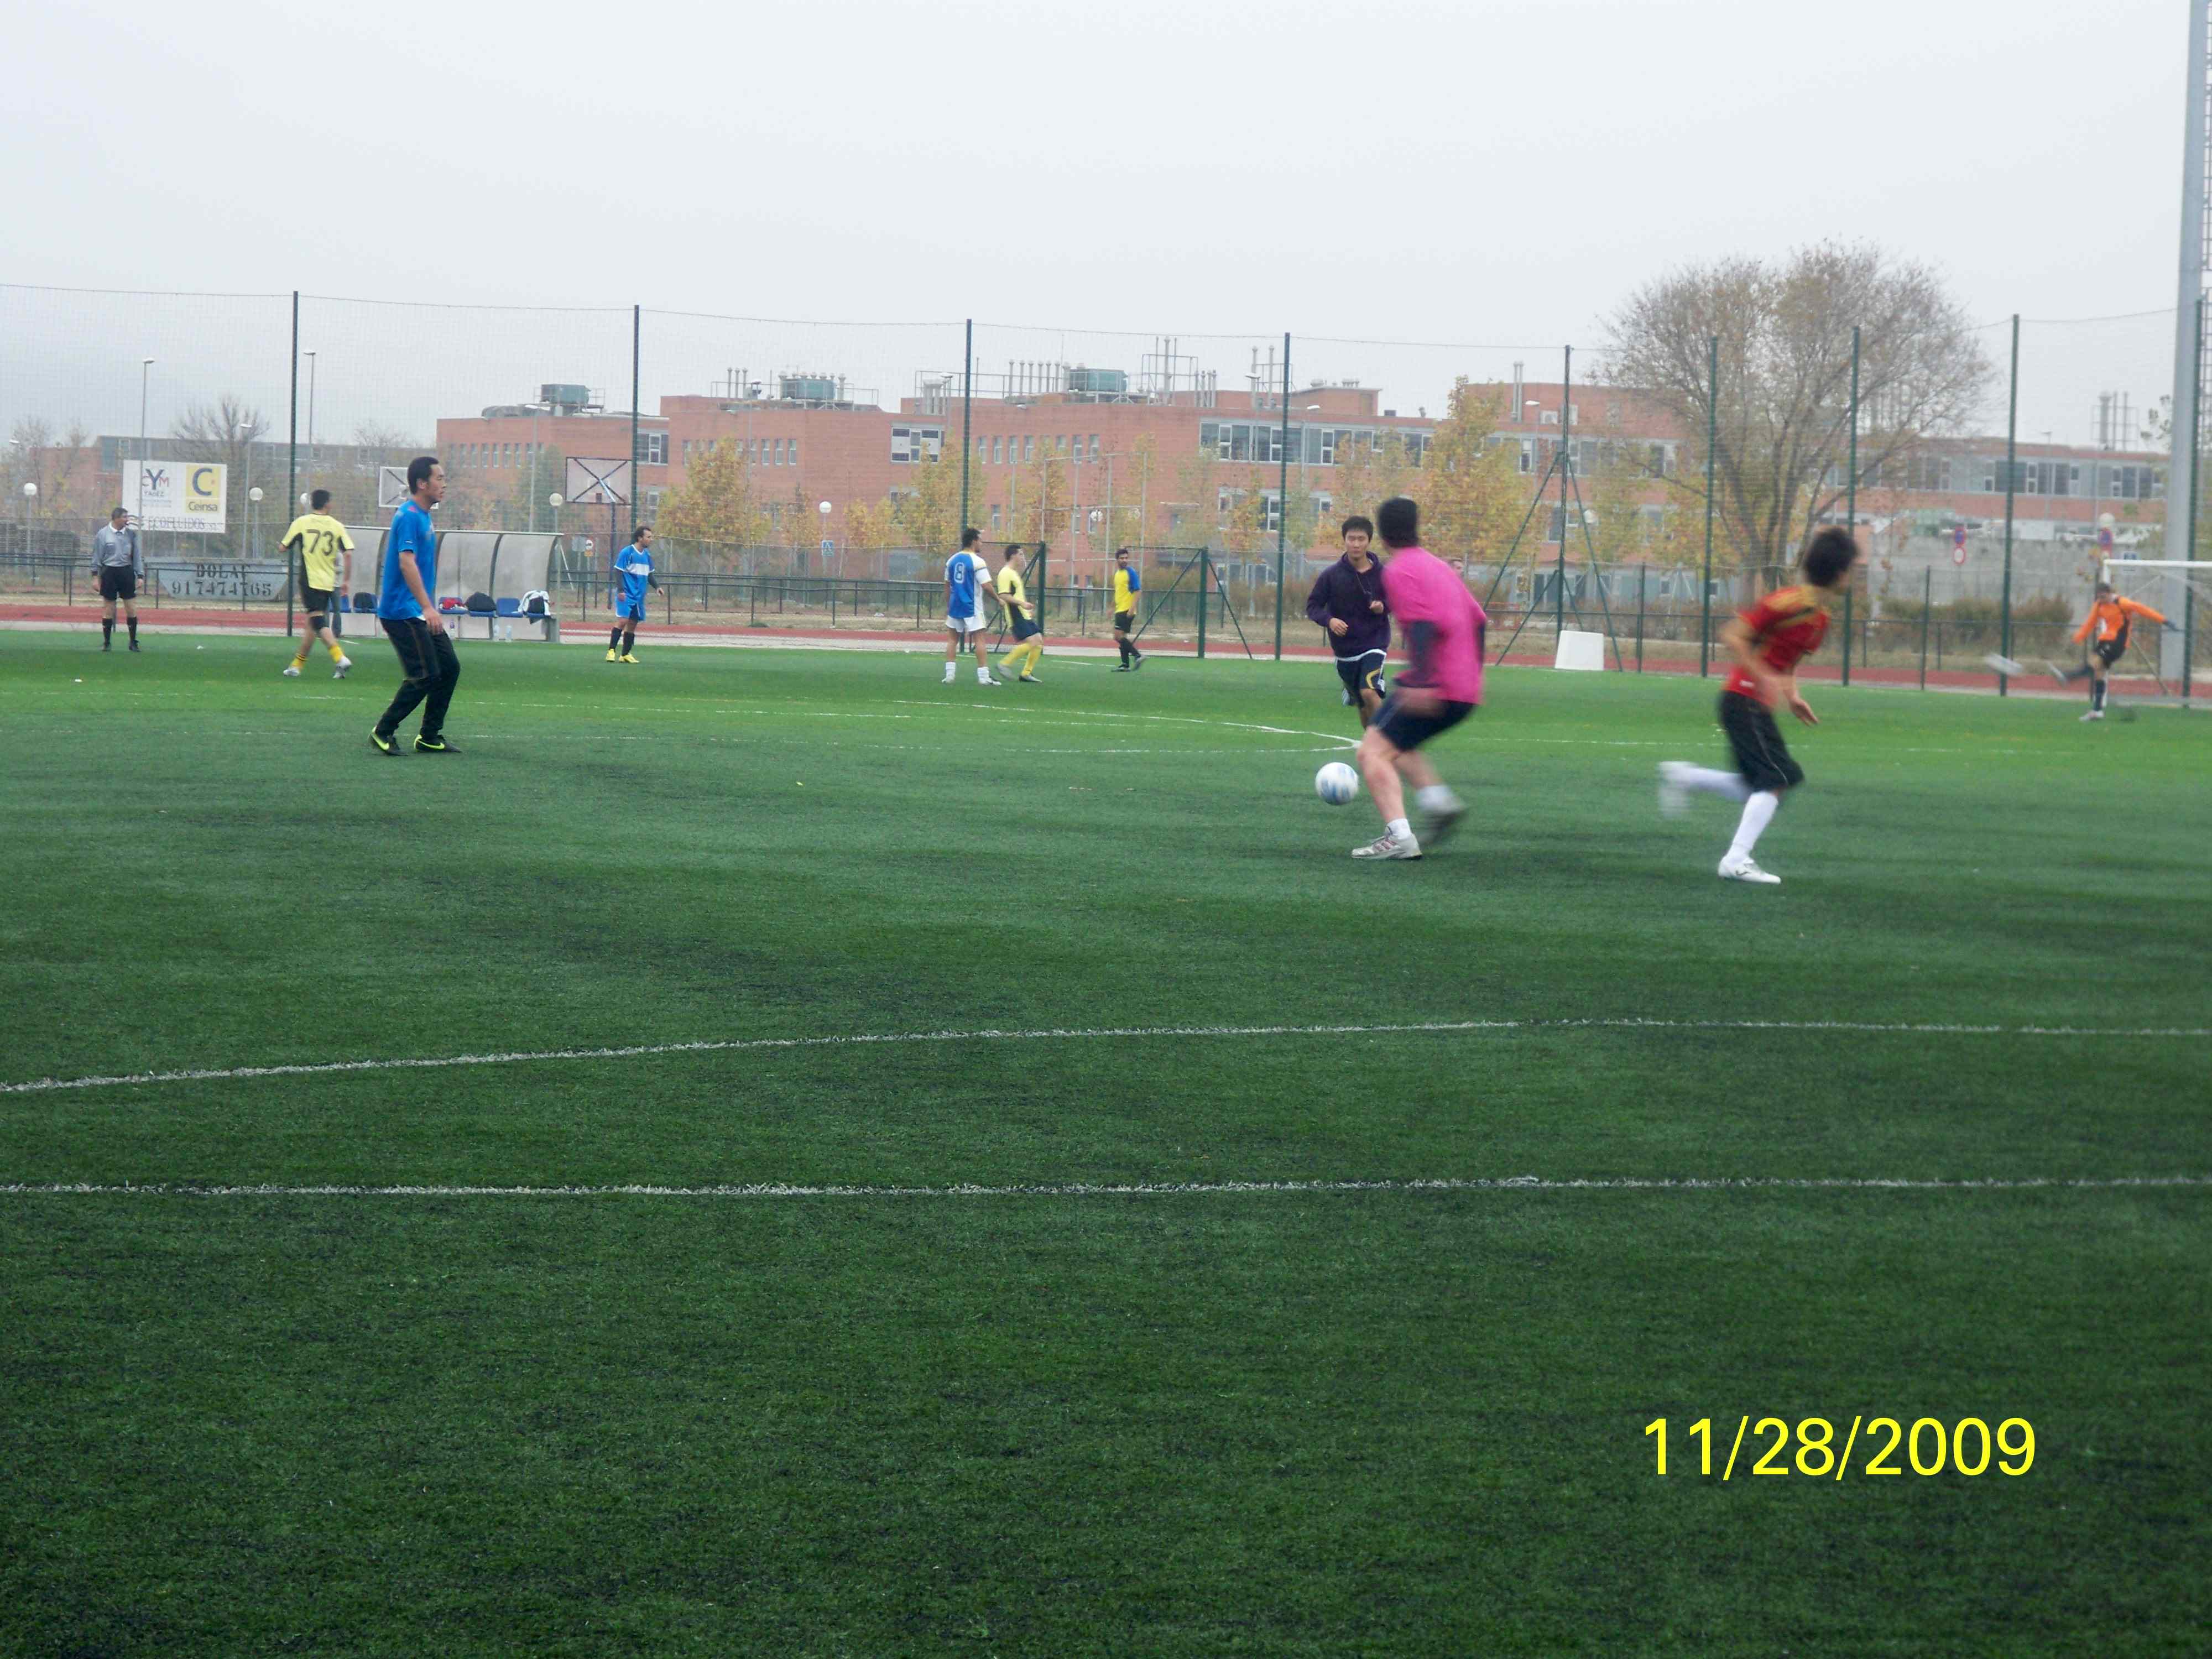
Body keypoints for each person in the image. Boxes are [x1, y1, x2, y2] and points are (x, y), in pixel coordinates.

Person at [1656, 525, 1859, 884]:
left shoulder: (1821, 618)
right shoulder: (1788, 603)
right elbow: (1733, 636)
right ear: (1840, 572)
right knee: (1778, 777)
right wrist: (1762, 676)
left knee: (1757, 785)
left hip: (1752, 704)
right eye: (1853, 569)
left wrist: (1792, 694)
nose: (1854, 576)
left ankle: (1686, 777)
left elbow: (1787, 663)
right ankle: (1736, 859)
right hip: (1742, 699)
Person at [1349, 497, 1479, 861]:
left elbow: (1421, 625)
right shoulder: (1440, 567)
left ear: (1383, 534)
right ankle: (1438, 802)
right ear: (1415, 526)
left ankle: (1399, 836)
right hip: (1466, 688)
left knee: (1371, 751)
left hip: (1436, 685)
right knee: (1394, 740)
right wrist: (1470, 673)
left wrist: (1423, 681)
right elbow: (1479, 618)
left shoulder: (1399, 570)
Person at [369, 456, 461, 755]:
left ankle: (429, 736)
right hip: (401, 611)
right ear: (422, 484)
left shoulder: (423, 515)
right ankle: (383, 731)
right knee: (424, 675)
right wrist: (428, 607)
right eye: (439, 479)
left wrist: (427, 608)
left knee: (449, 668)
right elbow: (406, 562)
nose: (444, 484)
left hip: (418, 611)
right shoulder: (408, 516)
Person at [1306, 514, 1390, 726]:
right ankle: (1372, 746)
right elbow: (1313, 606)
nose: (1356, 544)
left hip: (1374, 644)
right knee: (1363, 704)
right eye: (1351, 539)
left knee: (1369, 692)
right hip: (1345, 652)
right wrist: (1330, 620)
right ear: (1344, 540)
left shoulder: (1384, 575)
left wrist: (1384, 607)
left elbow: (1398, 601)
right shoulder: (1331, 576)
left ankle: (1391, 741)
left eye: (1361, 539)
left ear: (1369, 541)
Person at [2051, 581, 2164, 721]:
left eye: (2103, 597)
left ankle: (2068, 677)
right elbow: (2090, 624)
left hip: (2118, 643)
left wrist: (2163, 620)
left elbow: (2142, 609)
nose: (2101, 600)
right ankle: (2097, 711)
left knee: (2095, 664)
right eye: (2099, 597)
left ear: (2110, 593)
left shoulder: (2122, 603)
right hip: (2105, 641)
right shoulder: (2099, 605)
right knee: (2099, 673)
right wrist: (2077, 638)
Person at [279, 488, 354, 679]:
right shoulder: (336, 525)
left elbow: (282, 547)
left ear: (312, 503)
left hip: (309, 580)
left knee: (317, 621)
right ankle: (297, 666)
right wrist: (346, 580)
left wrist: (295, 541)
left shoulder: (301, 523)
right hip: (329, 581)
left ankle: (340, 658)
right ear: (328, 504)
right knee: (312, 624)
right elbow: (348, 553)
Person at [942, 528, 1001, 686]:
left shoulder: (952, 560)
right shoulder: (978, 562)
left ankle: (950, 676)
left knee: (952, 640)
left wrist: (949, 605)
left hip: (956, 605)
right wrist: (998, 599)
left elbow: (947, 586)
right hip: (972, 607)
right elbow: (986, 586)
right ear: (974, 541)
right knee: (980, 639)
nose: (981, 543)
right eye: (980, 540)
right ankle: (983, 677)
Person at [91, 506, 144, 652]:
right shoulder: (103, 534)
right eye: (124, 517)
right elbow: (97, 557)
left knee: (131, 608)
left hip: (126, 573)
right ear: (116, 518)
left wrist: (140, 575)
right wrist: (95, 577)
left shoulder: (131, 535)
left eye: (127, 517)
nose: (127, 520)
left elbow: (137, 557)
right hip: (109, 573)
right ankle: (107, 642)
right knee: (109, 608)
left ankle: (133, 642)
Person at [607, 524, 660, 662]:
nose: (651, 540)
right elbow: (618, 571)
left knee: (633, 623)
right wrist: (621, 590)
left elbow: (649, 575)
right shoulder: (627, 552)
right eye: (649, 537)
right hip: (626, 594)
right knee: (623, 621)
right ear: (640, 538)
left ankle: (625, 654)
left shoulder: (647, 556)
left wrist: (657, 587)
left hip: (639, 597)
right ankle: (611, 651)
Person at [996, 543, 1045, 683]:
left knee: (1039, 641)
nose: (1023, 557)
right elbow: (1004, 595)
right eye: (1021, 554)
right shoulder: (1005, 573)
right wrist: (1022, 604)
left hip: (1023, 613)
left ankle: (1026, 674)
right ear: (1013, 556)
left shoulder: (1013, 573)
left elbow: (1016, 594)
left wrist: (1026, 607)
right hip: (1015, 613)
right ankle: (1004, 664)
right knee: (1033, 642)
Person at [1111, 547, 1145, 671]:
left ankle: (1137, 655)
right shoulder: (1117, 575)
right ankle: (1125, 665)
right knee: (1122, 637)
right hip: (1120, 609)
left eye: (1126, 558)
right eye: (1122, 558)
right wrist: (1112, 607)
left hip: (1126, 610)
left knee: (1117, 637)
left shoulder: (1130, 572)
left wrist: (1132, 608)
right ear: (1117, 560)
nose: (1124, 560)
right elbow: (1118, 593)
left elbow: (1138, 591)